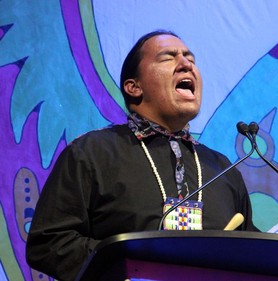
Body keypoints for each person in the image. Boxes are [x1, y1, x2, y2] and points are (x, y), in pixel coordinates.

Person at [26, 30, 259, 281]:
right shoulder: (91, 152)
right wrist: (124, 266)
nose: (186, 65)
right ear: (134, 87)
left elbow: (254, 253)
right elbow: (49, 242)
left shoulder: (221, 168)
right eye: (168, 58)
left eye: (190, 59)